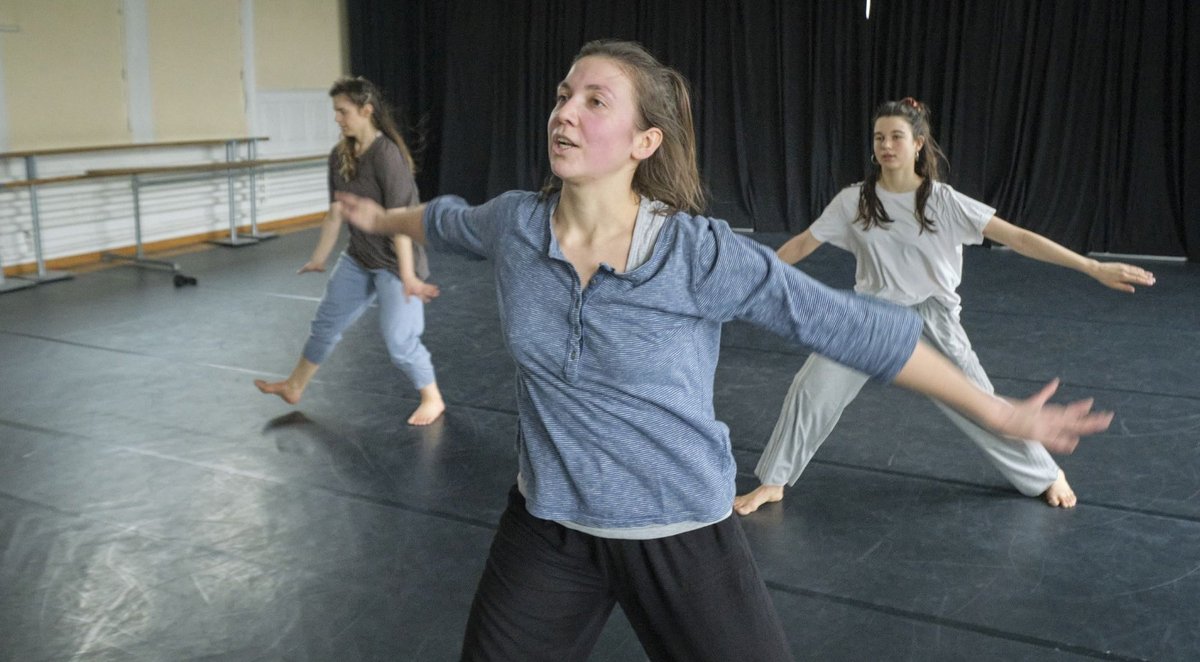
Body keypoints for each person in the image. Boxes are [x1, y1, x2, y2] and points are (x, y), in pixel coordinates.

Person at [337, 43, 1112, 661]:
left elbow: (852, 327)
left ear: (645, 141)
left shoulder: (698, 255)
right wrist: (382, 215)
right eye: (562, 95)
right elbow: (445, 220)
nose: (564, 113)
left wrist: (998, 411)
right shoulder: (514, 224)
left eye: (593, 100)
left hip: (680, 532)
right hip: (547, 525)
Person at [734, 98, 1154, 516]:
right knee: (813, 389)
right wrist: (747, 277)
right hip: (868, 315)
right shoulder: (854, 201)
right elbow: (803, 243)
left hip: (932, 317)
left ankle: (1046, 474)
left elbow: (1019, 237)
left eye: (897, 137)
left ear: (918, 143)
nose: (886, 145)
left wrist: (1091, 266)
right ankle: (774, 480)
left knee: (981, 404)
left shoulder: (944, 201)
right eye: (879, 137)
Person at [254, 76, 445, 426]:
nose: (337, 118)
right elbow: (335, 213)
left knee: (400, 341)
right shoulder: (339, 155)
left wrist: (407, 277)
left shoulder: (388, 156)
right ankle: (294, 386)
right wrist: (319, 258)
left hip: (395, 261)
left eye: (343, 111)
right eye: (336, 112)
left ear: (366, 110)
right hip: (359, 257)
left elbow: (402, 220)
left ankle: (432, 398)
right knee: (325, 324)